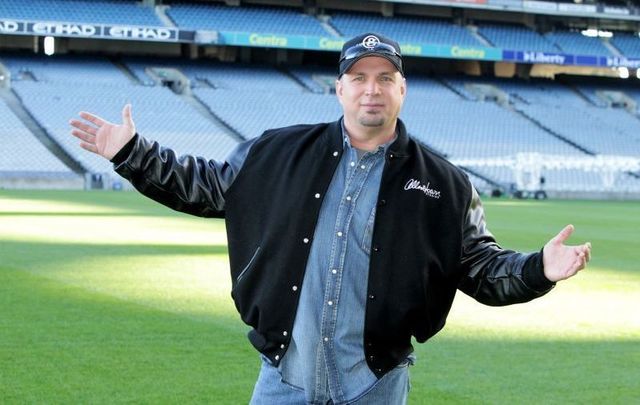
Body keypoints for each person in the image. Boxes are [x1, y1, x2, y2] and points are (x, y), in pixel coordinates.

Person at [69, 33, 591, 405]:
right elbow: (203, 186)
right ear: (338, 89)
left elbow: (479, 267)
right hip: (284, 377)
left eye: (385, 78)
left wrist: (537, 269)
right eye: (358, 77)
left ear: (401, 89)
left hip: (376, 383)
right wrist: (133, 153)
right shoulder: (278, 152)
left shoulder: (446, 184)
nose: (372, 88)